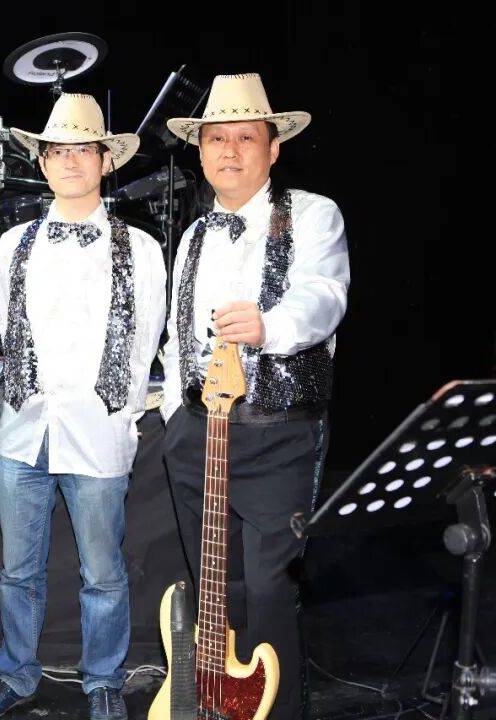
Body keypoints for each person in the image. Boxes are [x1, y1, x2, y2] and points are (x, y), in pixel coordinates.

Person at [0, 93, 167, 720]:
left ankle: (103, 679)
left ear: (106, 161)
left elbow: (144, 344)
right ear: (43, 162)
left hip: (97, 433)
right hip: (23, 432)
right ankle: (16, 674)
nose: (71, 161)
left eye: (84, 150)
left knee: (102, 574)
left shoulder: (141, 247)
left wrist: (123, 419)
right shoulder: (13, 242)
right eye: (58, 151)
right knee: (16, 571)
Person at [161, 72, 350, 720]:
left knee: (271, 591)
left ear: (273, 148)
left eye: (246, 137)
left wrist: (271, 327)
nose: (230, 150)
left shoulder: (314, 213)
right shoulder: (193, 234)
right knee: (217, 588)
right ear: (200, 151)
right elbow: (176, 334)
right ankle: (219, 704)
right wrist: (174, 415)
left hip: (278, 434)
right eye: (217, 138)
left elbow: (324, 295)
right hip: (196, 435)